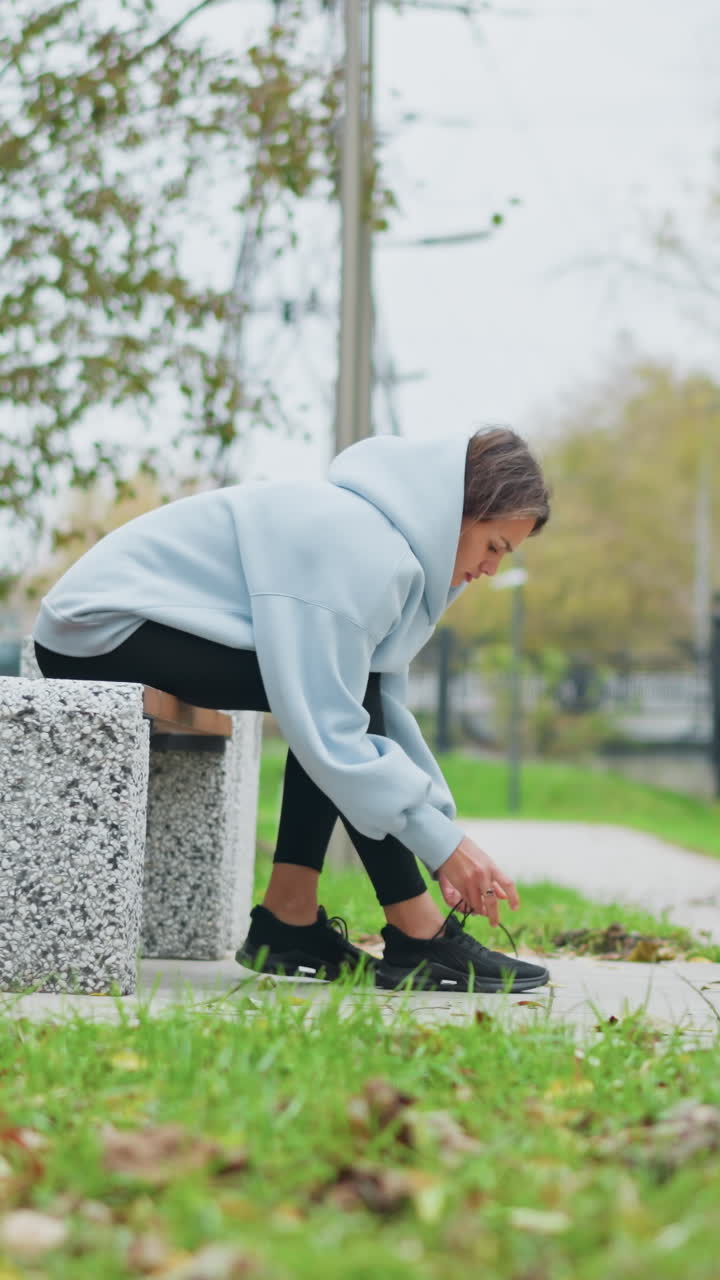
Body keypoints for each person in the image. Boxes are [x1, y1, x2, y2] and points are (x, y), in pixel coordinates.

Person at [32, 426, 551, 993]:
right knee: (332, 705)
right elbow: (333, 722)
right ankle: (417, 932)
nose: (492, 570)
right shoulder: (362, 548)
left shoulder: (384, 547)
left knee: (336, 698)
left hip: (133, 628)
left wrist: (441, 838)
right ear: (454, 511)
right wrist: (442, 847)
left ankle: (291, 915)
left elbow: (380, 714)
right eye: (494, 545)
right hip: (99, 630)